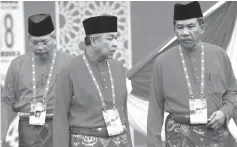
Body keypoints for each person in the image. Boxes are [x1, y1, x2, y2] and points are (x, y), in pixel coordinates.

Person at [147, 1, 237, 147]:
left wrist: (225, 112)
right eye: (180, 27)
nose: (185, 32)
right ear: (174, 29)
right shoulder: (161, 62)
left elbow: (232, 91)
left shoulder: (219, 55)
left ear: (202, 27)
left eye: (190, 26)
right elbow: (155, 108)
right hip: (178, 136)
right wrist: (153, 144)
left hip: (214, 132)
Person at [54, 15, 132, 147]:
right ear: (94, 41)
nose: (115, 43)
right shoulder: (69, 71)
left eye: (116, 37)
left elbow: (123, 113)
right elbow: (60, 118)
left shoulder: (118, 68)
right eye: (110, 38)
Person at [1, 13, 72, 147]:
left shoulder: (68, 62)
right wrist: (1, 135)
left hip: (59, 127)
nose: (39, 47)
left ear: (54, 37)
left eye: (44, 42)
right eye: (35, 42)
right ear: (29, 39)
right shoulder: (18, 64)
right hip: (27, 129)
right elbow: (5, 101)